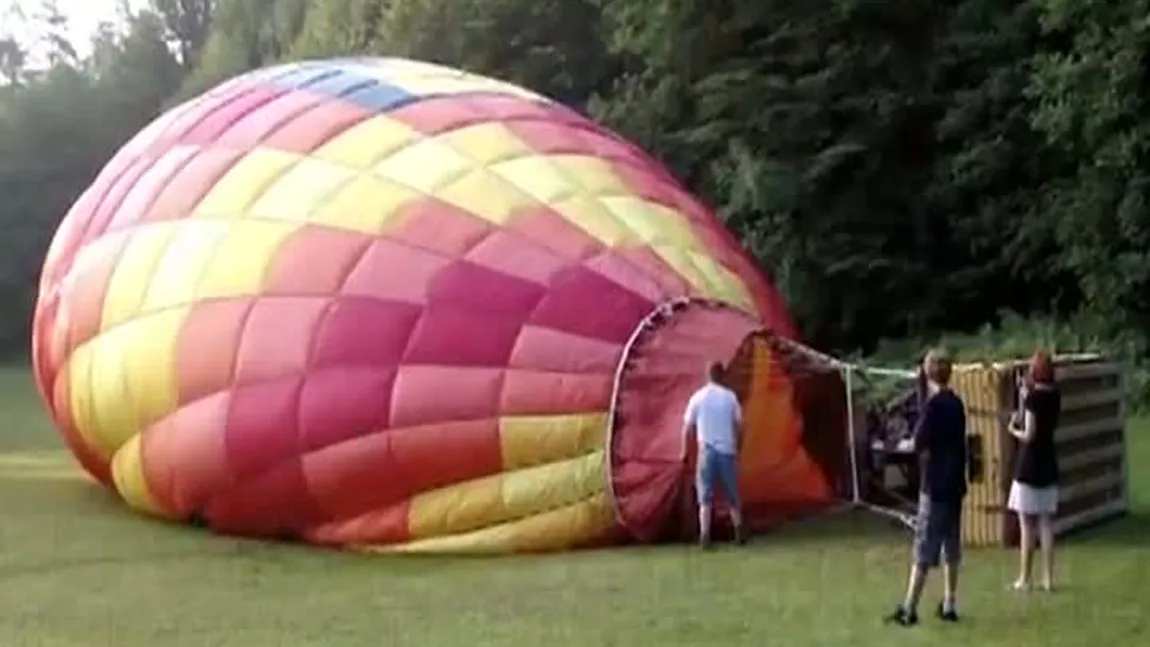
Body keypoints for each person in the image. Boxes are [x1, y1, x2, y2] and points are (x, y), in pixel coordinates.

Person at [886, 348, 968, 626]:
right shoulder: (956, 403)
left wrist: (905, 442)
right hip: (955, 483)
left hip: (934, 485)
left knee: (924, 548)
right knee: (951, 544)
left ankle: (909, 609)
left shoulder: (932, 407)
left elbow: (919, 441)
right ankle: (949, 603)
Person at [1007, 350, 1062, 592]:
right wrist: (1024, 394)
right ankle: (1048, 579)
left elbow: (1029, 434)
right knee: (1046, 523)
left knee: (1026, 524)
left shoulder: (1033, 399)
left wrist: (1012, 430)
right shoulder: (1055, 396)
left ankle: (1025, 578)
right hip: (1048, 461)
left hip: (1029, 464)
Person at [682, 360, 745, 548]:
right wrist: (738, 447)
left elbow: (687, 428)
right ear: (722, 375)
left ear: (707, 375)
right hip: (727, 450)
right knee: (732, 494)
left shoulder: (698, 397)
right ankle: (739, 531)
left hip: (707, 450)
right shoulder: (730, 397)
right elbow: (740, 426)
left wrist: (685, 451)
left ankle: (705, 536)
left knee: (705, 496)